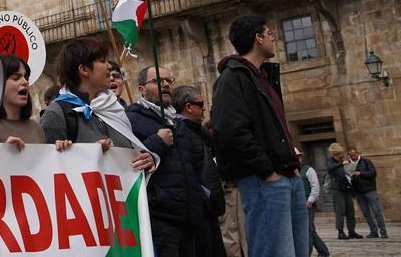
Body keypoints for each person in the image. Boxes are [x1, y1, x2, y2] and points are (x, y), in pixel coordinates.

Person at [212, 14, 309, 256]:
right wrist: (268, 172)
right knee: (274, 251)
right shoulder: (232, 77)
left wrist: (292, 167)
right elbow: (230, 132)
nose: (274, 39)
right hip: (264, 181)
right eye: (269, 34)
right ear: (258, 38)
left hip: (288, 177)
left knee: (297, 251)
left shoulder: (263, 77)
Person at [39, 38, 155, 172]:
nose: (109, 66)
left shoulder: (114, 108)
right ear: (84, 70)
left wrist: (145, 160)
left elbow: (130, 159)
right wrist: (90, 154)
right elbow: (48, 174)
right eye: (102, 61)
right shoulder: (57, 114)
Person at [127, 65, 206, 257]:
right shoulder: (131, 119)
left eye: (168, 80)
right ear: (141, 89)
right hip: (160, 218)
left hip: (188, 217)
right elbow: (131, 162)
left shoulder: (178, 123)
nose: (165, 84)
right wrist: (158, 143)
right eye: (157, 81)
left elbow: (195, 164)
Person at [0, 54, 65, 151]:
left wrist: (60, 150)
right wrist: (2, 153)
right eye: (16, 78)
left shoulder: (36, 128)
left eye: (26, 77)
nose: (25, 82)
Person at [173, 84, 228, 257]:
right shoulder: (182, 132)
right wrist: (207, 197)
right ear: (189, 107)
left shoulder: (198, 132)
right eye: (201, 103)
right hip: (200, 210)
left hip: (208, 209)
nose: (204, 108)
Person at [298, 149, 330, 256]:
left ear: (300, 158)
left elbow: (315, 187)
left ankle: (307, 253)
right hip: (297, 205)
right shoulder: (292, 171)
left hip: (307, 203)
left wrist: (310, 201)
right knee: (310, 230)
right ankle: (323, 251)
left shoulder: (308, 170)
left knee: (308, 230)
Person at [348, 147, 386, 238]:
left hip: (370, 190)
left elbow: (373, 173)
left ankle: (383, 231)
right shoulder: (348, 164)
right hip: (358, 192)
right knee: (366, 213)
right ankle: (373, 231)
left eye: (354, 154)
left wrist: (360, 173)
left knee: (377, 211)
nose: (353, 157)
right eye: (351, 155)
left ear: (357, 153)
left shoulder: (366, 161)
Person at [326, 143, 361, 239]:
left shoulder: (343, 160)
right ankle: (340, 232)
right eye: (339, 153)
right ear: (335, 154)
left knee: (350, 211)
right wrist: (341, 164)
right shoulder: (330, 161)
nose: (341, 155)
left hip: (346, 188)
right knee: (340, 211)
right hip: (337, 189)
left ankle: (351, 231)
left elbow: (347, 174)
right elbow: (329, 169)